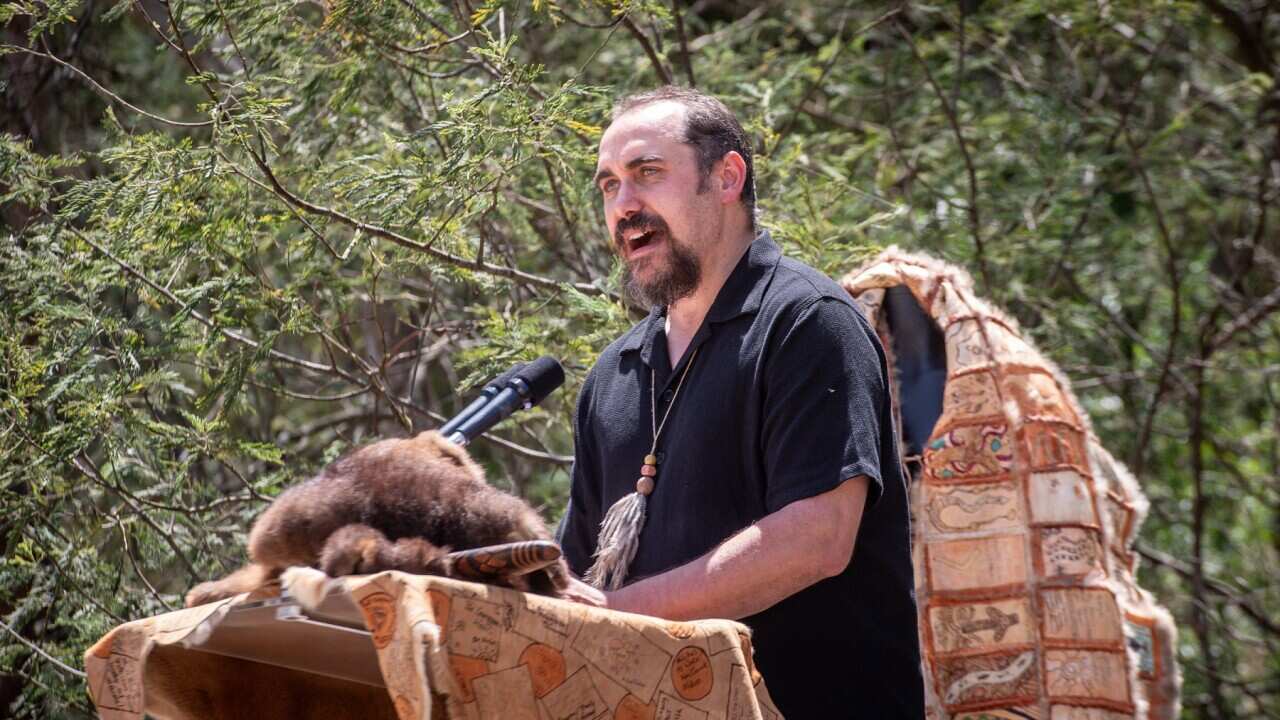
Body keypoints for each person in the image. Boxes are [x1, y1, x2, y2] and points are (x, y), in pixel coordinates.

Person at [557, 86, 924, 719]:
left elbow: (816, 539)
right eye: (609, 185)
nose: (624, 205)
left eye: (647, 173)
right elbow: (578, 572)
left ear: (727, 177)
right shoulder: (613, 376)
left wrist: (616, 615)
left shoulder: (809, 323)